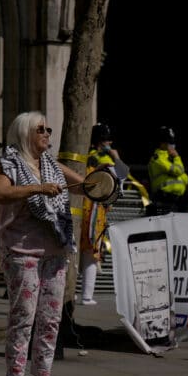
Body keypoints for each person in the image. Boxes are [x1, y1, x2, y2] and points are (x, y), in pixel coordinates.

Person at [0, 111, 83, 376]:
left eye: (49, 129)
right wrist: (37, 188)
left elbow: (82, 184)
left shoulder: (49, 164)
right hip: (22, 251)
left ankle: (42, 375)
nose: (47, 134)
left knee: (50, 317)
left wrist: (103, 183)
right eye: (40, 129)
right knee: (24, 315)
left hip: (55, 249)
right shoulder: (11, 163)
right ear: (25, 133)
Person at [77, 123, 130, 306]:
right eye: (108, 140)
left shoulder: (86, 157)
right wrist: (116, 157)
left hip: (86, 209)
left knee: (81, 250)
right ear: (102, 142)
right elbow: (124, 173)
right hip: (93, 211)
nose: (110, 143)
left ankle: (79, 293)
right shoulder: (101, 159)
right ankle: (86, 295)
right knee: (91, 252)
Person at [147, 126, 188, 215]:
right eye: (169, 142)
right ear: (162, 143)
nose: (172, 145)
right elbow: (178, 171)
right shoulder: (158, 158)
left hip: (178, 200)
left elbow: (185, 178)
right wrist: (177, 157)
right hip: (164, 199)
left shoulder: (170, 157)